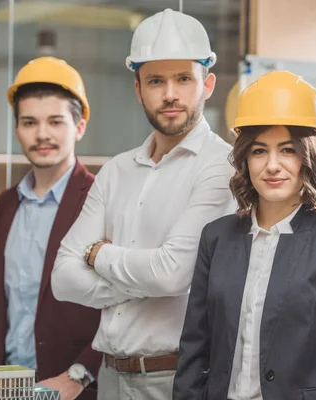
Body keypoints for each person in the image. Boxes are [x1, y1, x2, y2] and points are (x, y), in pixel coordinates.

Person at [173, 70, 316, 400]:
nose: (273, 165)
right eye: (260, 150)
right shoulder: (217, 237)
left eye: (288, 150)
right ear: (245, 159)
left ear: (309, 156)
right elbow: (194, 349)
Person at [51, 8, 236, 400]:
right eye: (156, 81)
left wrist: (98, 255)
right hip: (109, 377)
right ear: (138, 89)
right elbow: (62, 279)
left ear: (208, 84)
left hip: (176, 379)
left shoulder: (222, 166)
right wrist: (143, 283)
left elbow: (172, 274)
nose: (170, 94)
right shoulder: (116, 171)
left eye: (184, 78)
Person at [0, 57, 102, 400]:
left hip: (75, 389)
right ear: (17, 129)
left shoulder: (102, 198)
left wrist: (79, 375)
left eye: (55, 122)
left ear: (79, 127)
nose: (42, 134)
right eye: (29, 122)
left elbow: (128, 306)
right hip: (7, 384)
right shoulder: (7, 203)